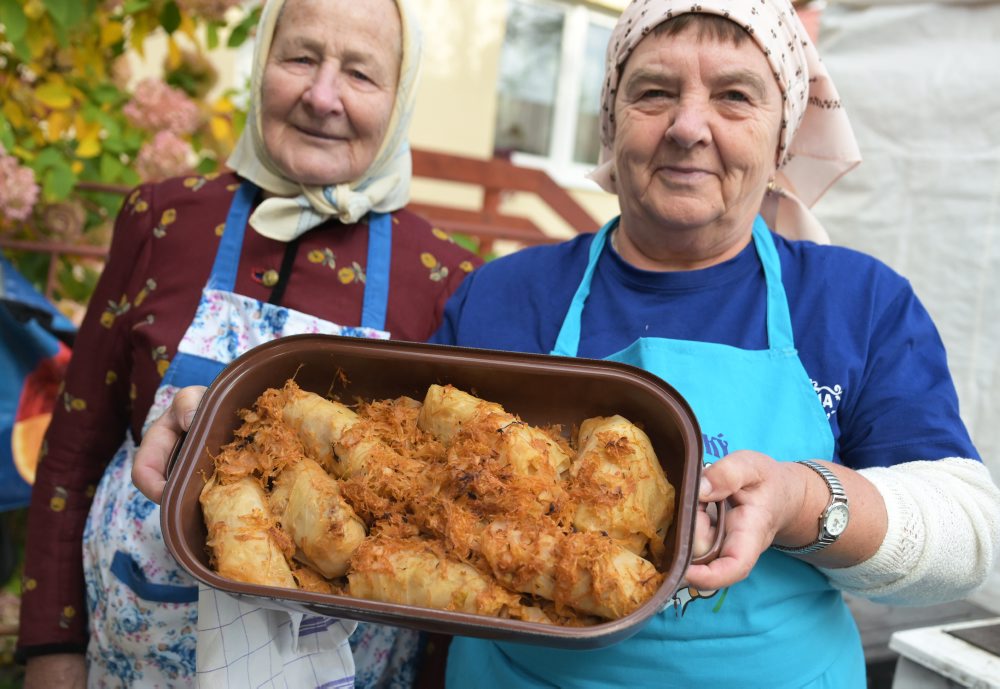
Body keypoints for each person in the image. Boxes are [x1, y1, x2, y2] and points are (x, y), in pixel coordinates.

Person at [132, 0, 1000, 687]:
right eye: (654, 91)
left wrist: (804, 501)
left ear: (781, 133)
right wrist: (223, 421)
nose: (689, 126)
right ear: (611, 121)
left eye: (734, 95)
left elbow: (971, 533)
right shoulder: (509, 293)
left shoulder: (855, 300)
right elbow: (382, 455)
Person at [15, 0, 478, 687]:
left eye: (360, 74)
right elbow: (74, 448)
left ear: (400, 95)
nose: (322, 97)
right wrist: (51, 647)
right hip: (134, 648)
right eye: (299, 57)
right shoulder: (162, 221)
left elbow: (451, 519)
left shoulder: (442, 276)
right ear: (261, 63)